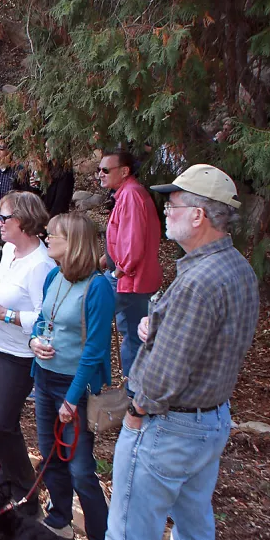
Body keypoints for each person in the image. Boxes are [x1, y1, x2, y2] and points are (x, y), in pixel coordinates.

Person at [52, 165, 258, 540]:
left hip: (168, 426)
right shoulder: (236, 269)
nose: (165, 209)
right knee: (193, 522)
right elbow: (206, 345)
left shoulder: (198, 279)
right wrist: (154, 328)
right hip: (210, 422)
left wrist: (138, 412)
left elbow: (165, 375)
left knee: (128, 535)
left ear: (202, 215)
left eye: (176, 202)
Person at [27, 212, 114, 540]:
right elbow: (42, 320)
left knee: (80, 469)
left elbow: (94, 350)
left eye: (54, 235)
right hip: (44, 378)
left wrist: (72, 399)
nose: (47, 238)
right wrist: (33, 342)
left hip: (72, 387)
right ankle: (59, 514)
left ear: (74, 242)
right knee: (49, 452)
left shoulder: (98, 287)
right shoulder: (54, 277)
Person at [0, 191, 56, 498]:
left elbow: (47, 318)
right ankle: (6, 480)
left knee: (4, 423)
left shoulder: (41, 265)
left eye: (5, 218)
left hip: (19, 353)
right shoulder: (8, 249)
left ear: (24, 221)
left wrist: (5, 314)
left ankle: (25, 488)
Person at [99, 149, 162, 384]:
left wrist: (117, 271)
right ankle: (134, 388)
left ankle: (89, 385)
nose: (100, 174)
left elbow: (133, 244)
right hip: (133, 278)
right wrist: (107, 258)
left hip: (130, 279)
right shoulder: (125, 194)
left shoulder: (132, 195)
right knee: (134, 335)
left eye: (106, 170)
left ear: (124, 171)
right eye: (99, 170)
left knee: (88, 319)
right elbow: (122, 236)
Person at [0, 138, 28, 226]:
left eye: (1, 147)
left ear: (9, 150)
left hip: (10, 221)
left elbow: (24, 195)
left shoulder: (19, 170)